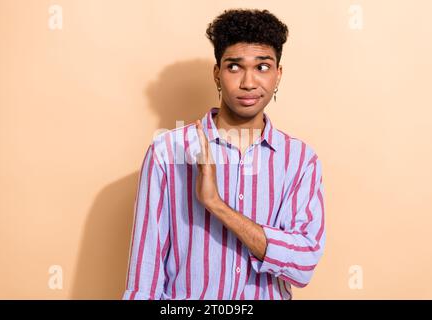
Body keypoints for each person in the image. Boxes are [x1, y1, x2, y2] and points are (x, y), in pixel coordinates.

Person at [123, 8, 326, 300]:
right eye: (234, 67)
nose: (248, 82)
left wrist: (215, 205)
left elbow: (303, 263)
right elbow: (144, 278)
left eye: (262, 67)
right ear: (217, 73)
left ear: (278, 75)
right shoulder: (167, 152)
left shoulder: (300, 160)